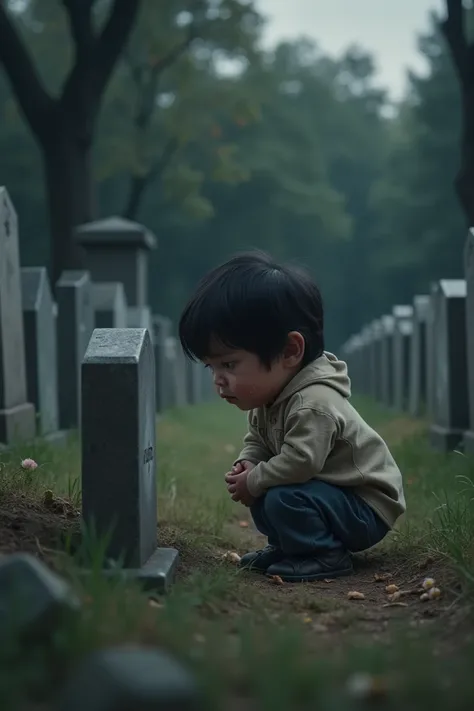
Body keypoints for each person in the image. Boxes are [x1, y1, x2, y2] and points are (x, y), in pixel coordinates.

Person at [178, 251, 406, 582]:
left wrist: (255, 479)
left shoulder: (313, 403)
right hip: (330, 496)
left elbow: (302, 461)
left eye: (229, 364)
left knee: (282, 493)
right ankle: (290, 546)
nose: (218, 379)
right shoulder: (271, 399)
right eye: (211, 366)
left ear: (289, 351)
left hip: (365, 507)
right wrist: (248, 462)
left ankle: (324, 554)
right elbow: (258, 440)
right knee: (268, 486)